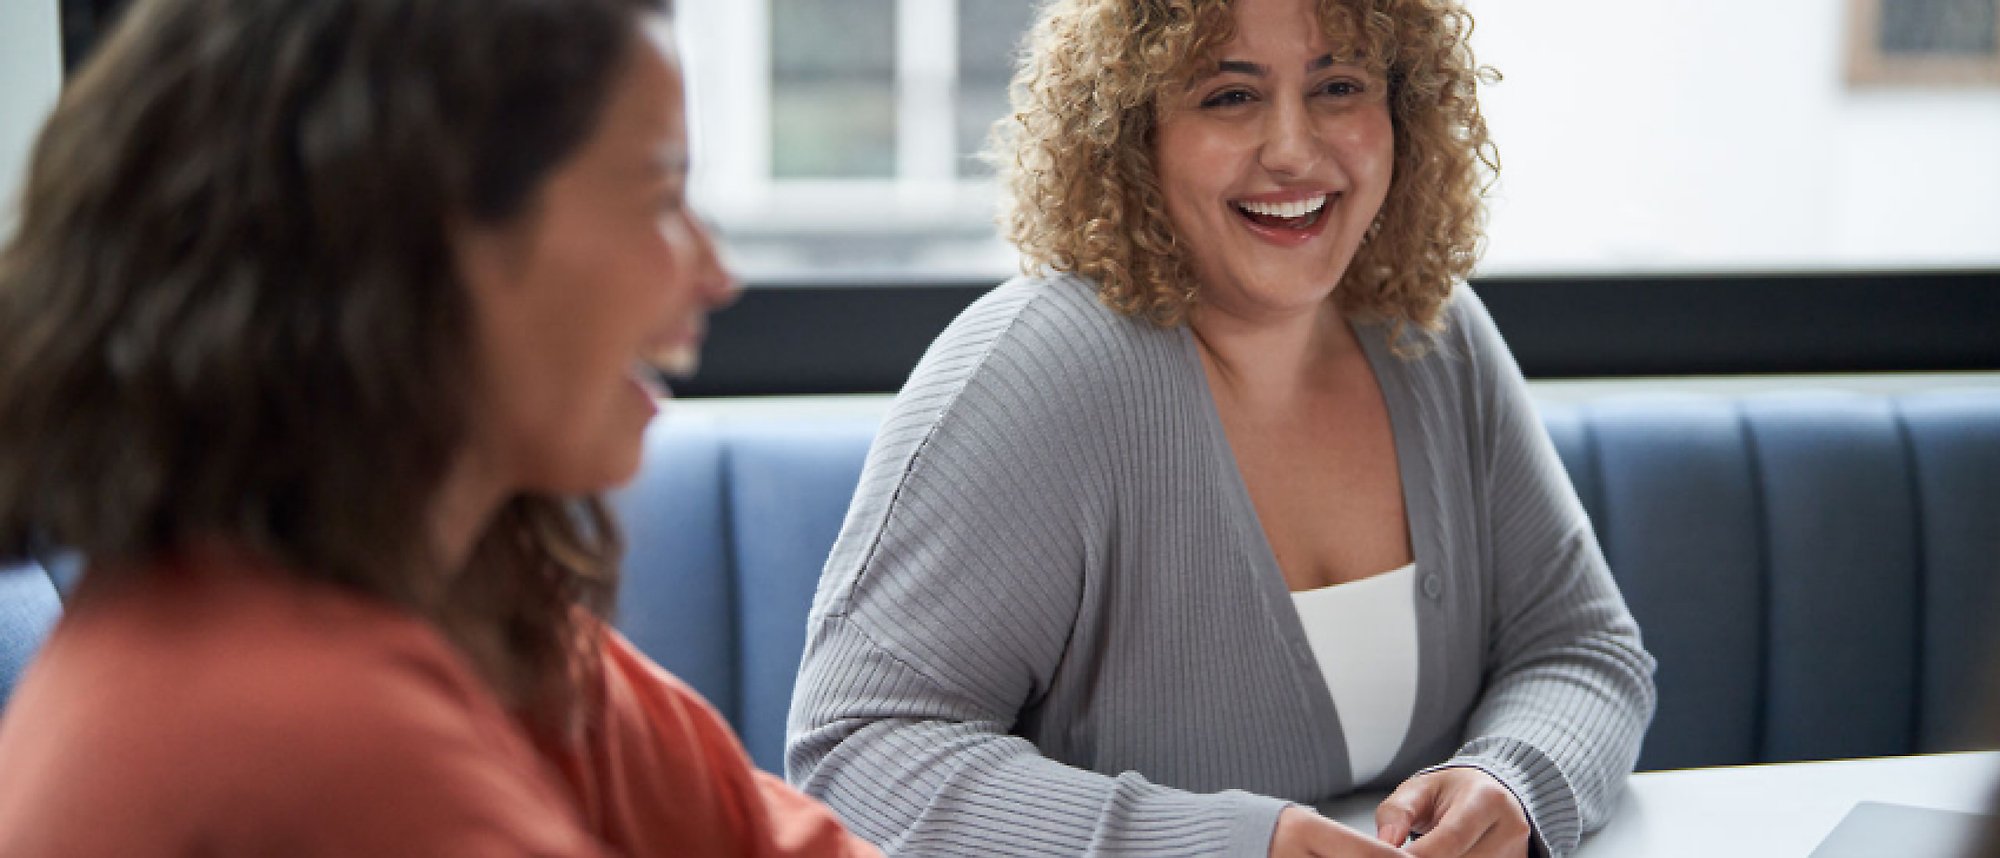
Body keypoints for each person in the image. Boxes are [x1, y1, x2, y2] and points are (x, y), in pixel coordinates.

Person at [0, 0, 877, 854]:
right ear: (416, 244)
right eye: (658, 196)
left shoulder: (472, 616)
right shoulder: (316, 739)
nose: (717, 273)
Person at [786, 0, 1656, 855]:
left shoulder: (1432, 332)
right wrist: (1225, 845)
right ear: (1133, 137)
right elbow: (856, 751)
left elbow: (1580, 646)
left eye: (1340, 86)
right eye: (1229, 96)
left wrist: (1513, 778)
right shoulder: (1036, 372)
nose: (1293, 148)